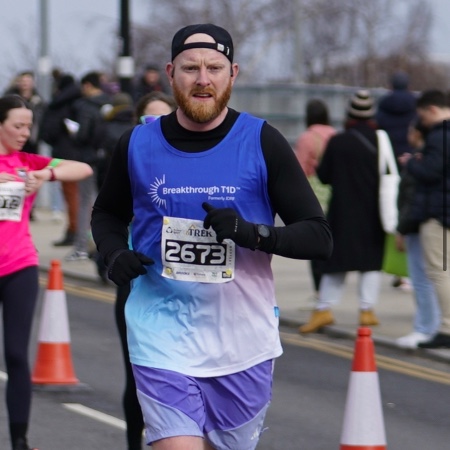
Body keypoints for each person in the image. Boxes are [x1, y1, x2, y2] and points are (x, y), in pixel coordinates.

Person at [91, 23, 332, 450]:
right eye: (191, 68)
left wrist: (252, 233)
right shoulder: (138, 144)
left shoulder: (262, 141)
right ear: (171, 73)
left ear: (232, 74)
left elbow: (318, 236)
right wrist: (113, 254)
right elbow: (107, 212)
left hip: (243, 342)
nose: (203, 79)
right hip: (161, 334)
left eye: (214, 68)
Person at [0, 94, 93, 450]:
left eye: (28, 126)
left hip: (19, 265)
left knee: (16, 355)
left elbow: (82, 168)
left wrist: (46, 174)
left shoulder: (28, 162)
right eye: (17, 126)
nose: (25, 133)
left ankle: (20, 441)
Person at [114, 91, 177, 450]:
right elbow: (107, 213)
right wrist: (113, 252)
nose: (156, 127)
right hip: (140, 280)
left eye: (163, 120)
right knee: (138, 375)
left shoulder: (195, 162)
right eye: (147, 120)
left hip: (187, 283)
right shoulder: (130, 158)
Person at [300, 90, 385, 334]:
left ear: (349, 115)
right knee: (371, 262)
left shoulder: (338, 141)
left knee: (336, 261)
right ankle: (367, 310)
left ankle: (323, 309)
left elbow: (324, 176)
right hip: (374, 210)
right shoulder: (381, 140)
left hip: (343, 210)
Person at [398, 90, 450, 349]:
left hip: (437, 213)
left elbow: (431, 173)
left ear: (432, 109)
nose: (422, 122)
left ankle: (446, 328)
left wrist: (411, 163)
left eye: (422, 115)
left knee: (438, 272)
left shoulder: (440, 136)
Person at [394, 118, 440, 348]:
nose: (408, 133)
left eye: (411, 129)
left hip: (417, 226)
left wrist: (401, 229)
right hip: (426, 224)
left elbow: (411, 199)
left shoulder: (418, 162)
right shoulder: (429, 159)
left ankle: (425, 328)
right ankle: (431, 326)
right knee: (431, 278)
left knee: (422, 280)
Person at [64, 71, 112, 262]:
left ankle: (82, 247)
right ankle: (102, 246)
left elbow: (83, 135)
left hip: (88, 159)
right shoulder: (110, 103)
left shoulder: (85, 106)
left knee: (86, 202)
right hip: (108, 159)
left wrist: (73, 134)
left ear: (87, 85)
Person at [294, 98, 336, 305]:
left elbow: (299, 170)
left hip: (315, 194)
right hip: (334, 193)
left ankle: (320, 292)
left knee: (316, 240)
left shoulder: (307, 137)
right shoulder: (335, 135)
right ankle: (330, 291)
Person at [39, 74, 82, 246]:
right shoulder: (79, 102)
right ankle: (78, 231)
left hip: (63, 155)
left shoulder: (57, 104)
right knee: (81, 197)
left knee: (71, 195)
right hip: (81, 155)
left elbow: (47, 132)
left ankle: (73, 230)